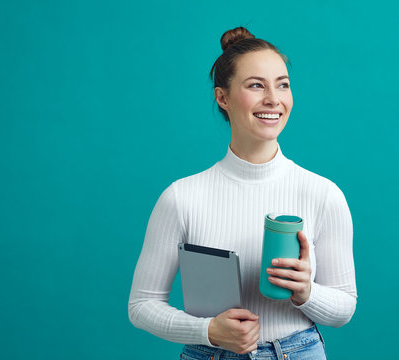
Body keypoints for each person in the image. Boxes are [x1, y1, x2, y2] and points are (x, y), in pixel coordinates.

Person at [128, 26, 357, 360]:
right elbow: (141, 305)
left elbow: (344, 308)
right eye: (255, 85)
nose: (273, 100)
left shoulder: (323, 194)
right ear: (222, 97)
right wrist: (207, 331)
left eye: (283, 84)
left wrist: (307, 292)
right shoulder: (181, 197)